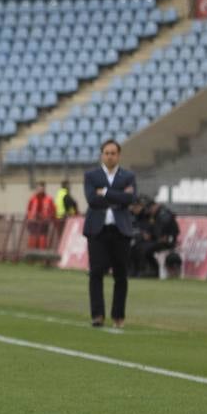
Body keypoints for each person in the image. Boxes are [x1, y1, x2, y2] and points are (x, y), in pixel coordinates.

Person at [83, 140, 137, 328]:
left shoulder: (128, 176)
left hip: (120, 231)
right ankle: (97, 314)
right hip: (97, 231)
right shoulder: (91, 175)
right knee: (96, 273)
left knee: (120, 275)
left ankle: (118, 316)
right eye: (106, 153)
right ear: (101, 155)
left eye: (113, 153)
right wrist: (117, 197)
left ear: (119, 155)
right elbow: (91, 200)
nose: (110, 156)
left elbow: (130, 198)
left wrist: (105, 192)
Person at [25, 181, 56, 249]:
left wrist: (50, 217)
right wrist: (29, 218)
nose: (41, 190)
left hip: (44, 222)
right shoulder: (33, 198)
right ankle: (32, 253)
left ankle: (42, 253)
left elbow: (53, 209)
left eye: (42, 188)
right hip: (33, 221)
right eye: (39, 188)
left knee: (42, 237)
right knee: (33, 237)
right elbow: (29, 209)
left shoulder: (48, 199)